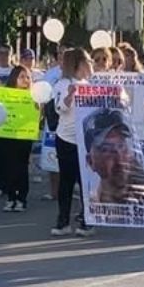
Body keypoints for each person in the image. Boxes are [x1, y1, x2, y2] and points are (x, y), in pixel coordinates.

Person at [52, 48, 95, 237]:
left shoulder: (90, 84)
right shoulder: (63, 84)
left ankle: (88, 219)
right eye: (87, 61)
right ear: (78, 64)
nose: (91, 64)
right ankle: (63, 221)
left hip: (85, 139)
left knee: (85, 181)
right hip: (66, 138)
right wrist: (70, 95)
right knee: (66, 181)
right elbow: (59, 108)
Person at [83, 108, 144, 205]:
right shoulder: (93, 207)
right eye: (107, 150)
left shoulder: (142, 201)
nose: (120, 159)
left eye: (121, 146)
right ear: (91, 161)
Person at [0, 66, 36, 211]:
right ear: (14, 78)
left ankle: (22, 198)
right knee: (8, 166)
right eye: (21, 77)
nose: (25, 80)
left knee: (21, 166)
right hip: (8, 134)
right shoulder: (6, 95)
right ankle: (11, 197)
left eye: (27, 77)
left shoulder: (32, 96)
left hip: (24, 136)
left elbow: (37, 117)